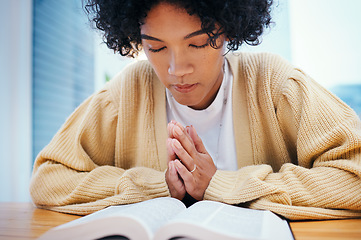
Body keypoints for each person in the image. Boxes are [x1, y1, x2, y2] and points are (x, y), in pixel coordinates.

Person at [30, 0, 361, 220]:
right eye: (155, 47)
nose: (176, 68)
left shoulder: (273, 83)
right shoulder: (128, 92)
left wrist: (221, 185)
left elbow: (353, 176)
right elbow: (49, 177)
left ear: (229, 27)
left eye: (199, 42)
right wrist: (157, 186)